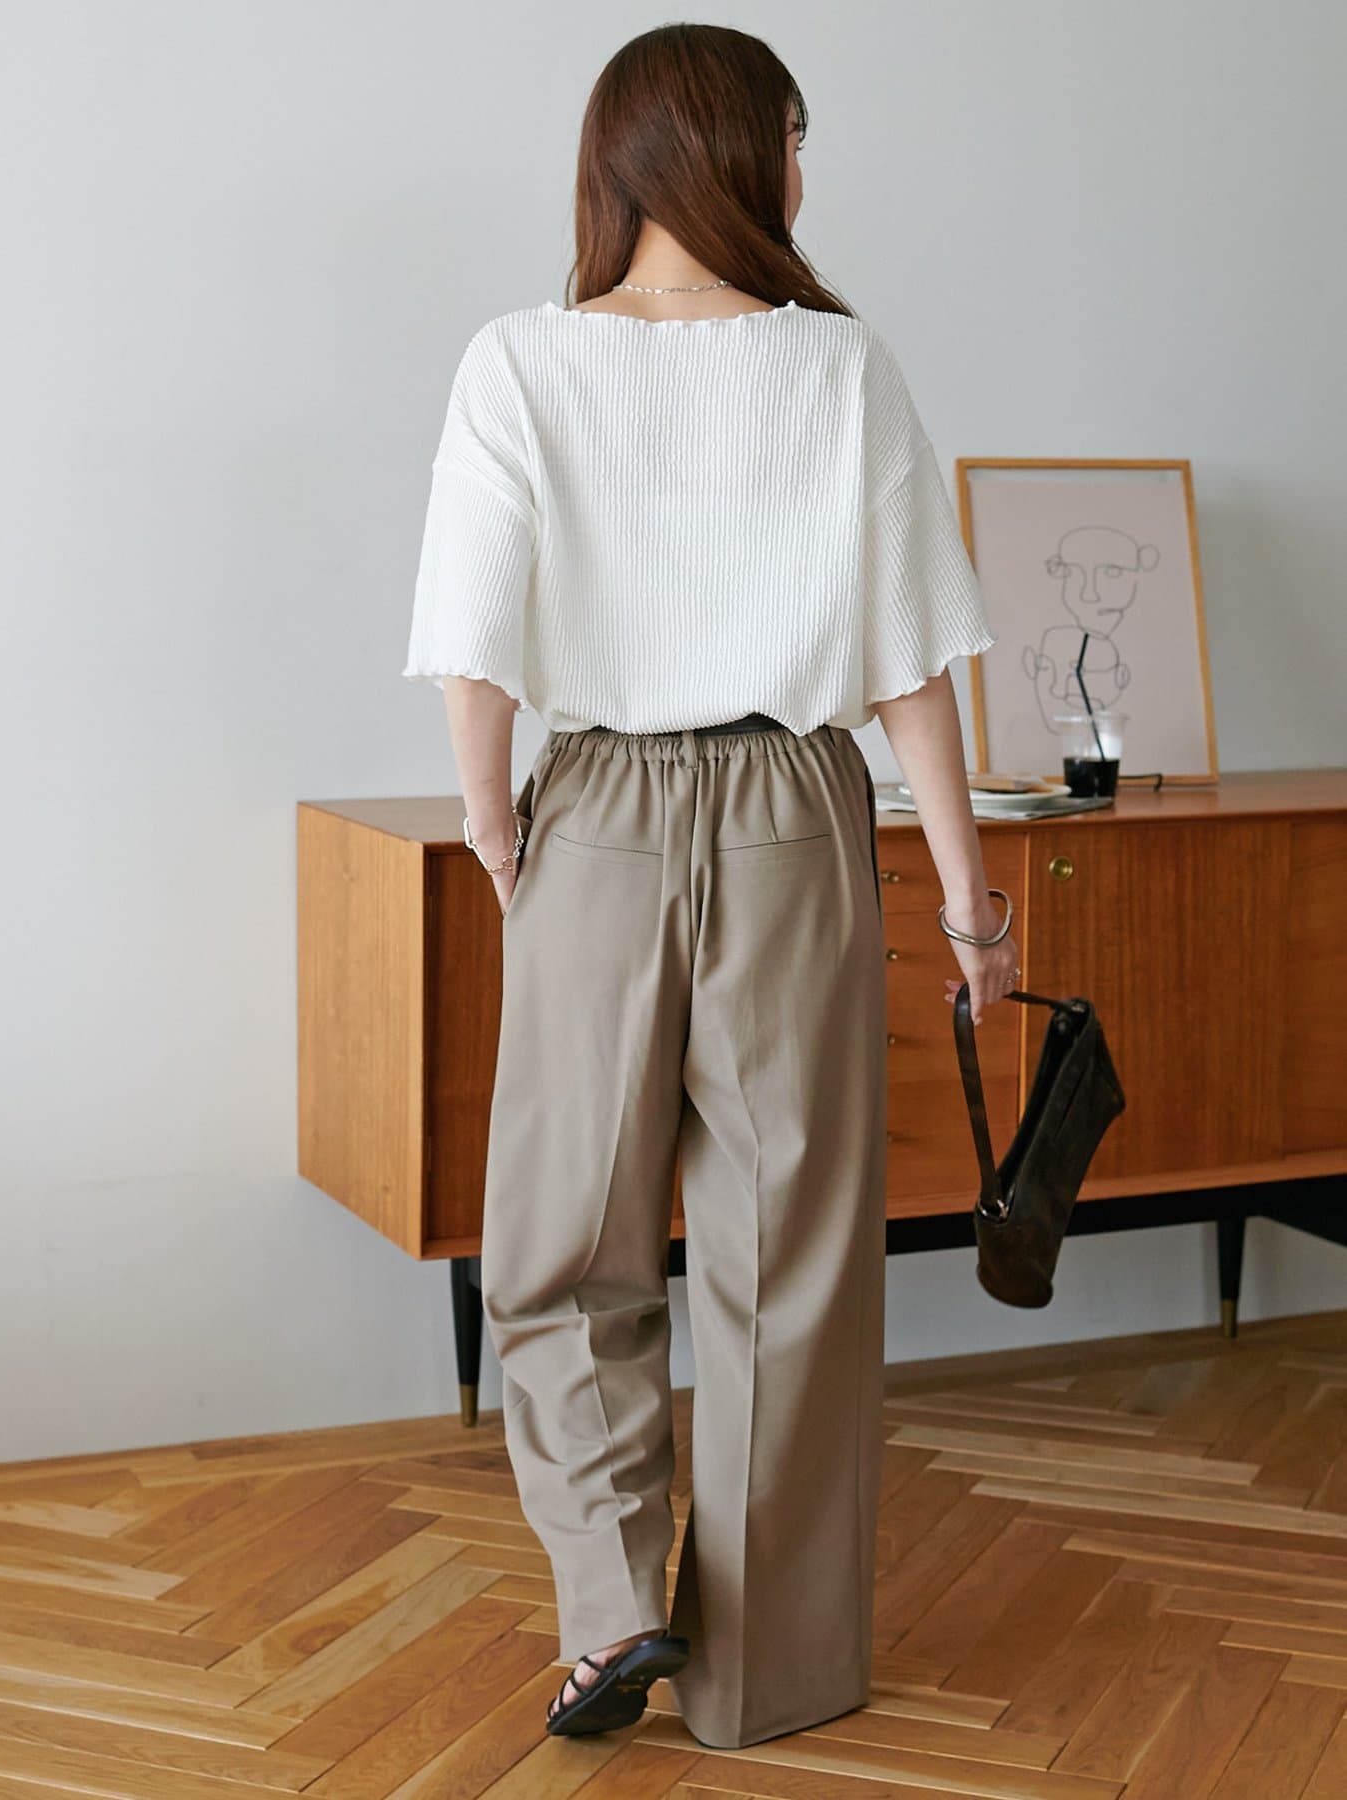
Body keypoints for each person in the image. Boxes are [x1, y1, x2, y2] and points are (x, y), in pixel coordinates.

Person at [401, 21, 1021, 1753]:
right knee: (789, 1259)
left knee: (562, 1240)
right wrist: (970, 912)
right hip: (795, 813)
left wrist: (499, 831)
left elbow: (473, 643)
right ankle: (765, 1679)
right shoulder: (841, 366)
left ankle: (610, 1612)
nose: (805, 174)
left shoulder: (519, 361)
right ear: (736, 152)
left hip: (595, 807)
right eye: (796, 139)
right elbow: (911, 668)